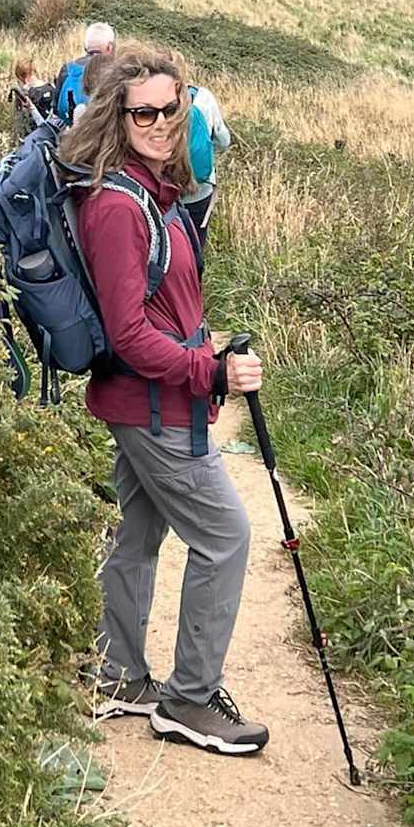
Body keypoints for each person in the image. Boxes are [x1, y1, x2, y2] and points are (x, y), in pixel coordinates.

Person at [59, 47, 268, 756]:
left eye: (168, 108)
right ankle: (188, 699)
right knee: (226, 538)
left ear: (186, 108)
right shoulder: (117, 205)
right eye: (141, 110)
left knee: (139, 535)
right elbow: (128, 333)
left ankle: (117, 675)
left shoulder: (151, 191)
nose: (156, 121)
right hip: (154, 408)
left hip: (144, 403)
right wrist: (207, 373)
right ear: (117, 115)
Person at [182, 80, 232, 240]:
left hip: (161, 189)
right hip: (199, 188)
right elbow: (224, 141)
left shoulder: (151, 100)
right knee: (196, 241)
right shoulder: (204, 97)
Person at [54, 21, 116, 124]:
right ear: (110, 47)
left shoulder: (67, 70)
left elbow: (56, 110)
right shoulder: (116, 70)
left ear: (85, 47)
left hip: (69, 134)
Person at [9, 58, 55, 139]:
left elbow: (21, 122)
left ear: (24, 79)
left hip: (34, 138)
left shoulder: (25, 94)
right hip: (52, 133)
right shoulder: (50, 88)